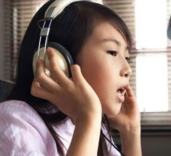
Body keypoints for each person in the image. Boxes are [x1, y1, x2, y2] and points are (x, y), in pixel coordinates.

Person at [0, 1, 142, 156]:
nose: (128, 70)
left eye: (126, 57)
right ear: (61, 61)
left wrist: (130, 132)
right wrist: (87, 119)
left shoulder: (90, 123)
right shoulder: (14, 119)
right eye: (113, 52)